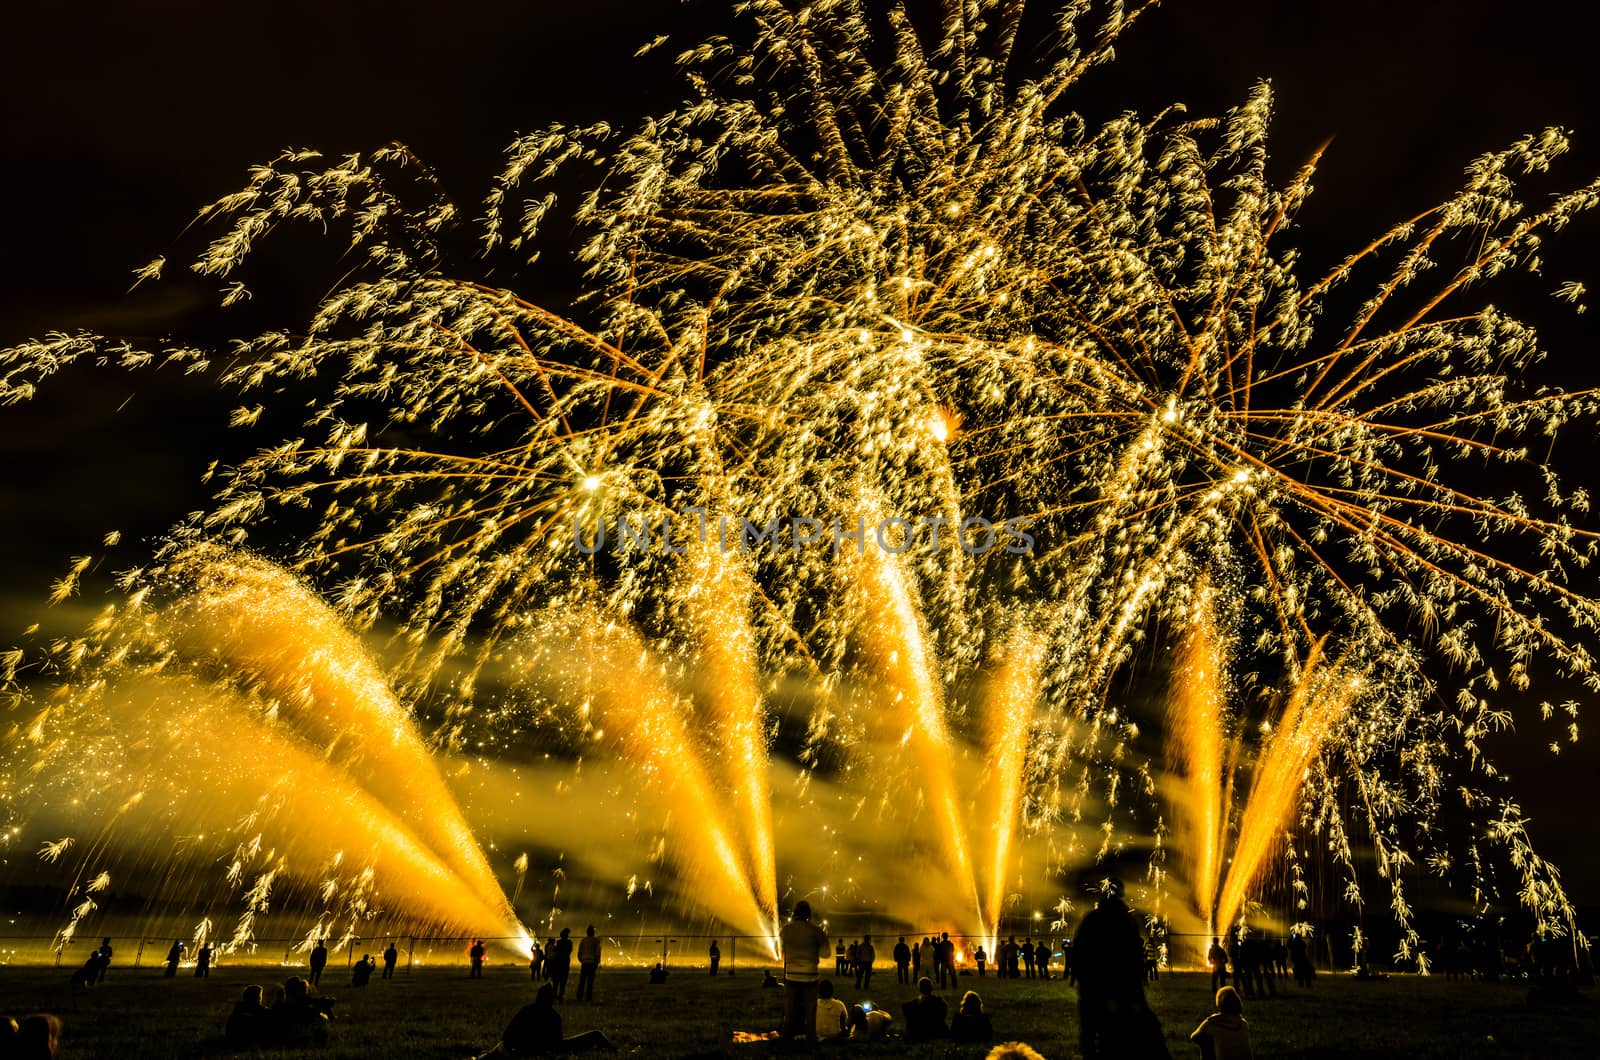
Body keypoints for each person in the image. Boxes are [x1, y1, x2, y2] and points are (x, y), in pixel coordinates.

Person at [1071, 877, 1169, 1059]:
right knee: (1122, 1034)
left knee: (1092, 1035)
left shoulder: (1091, 920)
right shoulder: (1126, 921)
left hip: (1094, 987)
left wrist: (1083, 981)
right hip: (1124, 988)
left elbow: (1079, 953)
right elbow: (1134, 954)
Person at [484, 982, 613, 1057]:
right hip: (545, 1049)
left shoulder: (526, 1010)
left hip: (520, 1049)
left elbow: (507, 1035)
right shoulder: (553, 1016)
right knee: (596, 1035)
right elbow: (556, 1043)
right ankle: (613, 1051)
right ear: (551, 1000)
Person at [778, 900, 829, 1042]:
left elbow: (782, 952)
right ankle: (810, 1039)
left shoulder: (786, 930)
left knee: (790, 1009)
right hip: (810, 975)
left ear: (794, 913)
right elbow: (826, 953)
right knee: (810, 1010)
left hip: (791, 974)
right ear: (808, 914)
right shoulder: (816, 930)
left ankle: (787, 1038)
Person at [1190, 985, 1253, 1060]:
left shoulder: (1212, 1023)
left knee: (1206, 1042)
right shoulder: (1243, 1024)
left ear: (1219, 1003)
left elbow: (1193, 1037)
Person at [272, 976, 331, 1048]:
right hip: (293, 1041)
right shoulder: (292, 1007)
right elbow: (307, 1016)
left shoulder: (281, 1005)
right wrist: (318, 1008)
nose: (305, 995)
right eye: (304, 991)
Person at [901, 976, 949, 1040]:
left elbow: (905, 1009)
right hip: (936, 1032)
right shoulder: (940, 1002)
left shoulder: (912, 1004)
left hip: (919, 1033)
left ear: (920, 989)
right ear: (931, 988)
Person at [226, 984, 272, 1049]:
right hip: (247, 1044)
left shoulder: (238, 1010)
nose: (260, 999)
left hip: (233, 1043)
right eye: (260, 996)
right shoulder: (258, 1011)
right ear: (257, 998)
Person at [575, 925, 601, 1001]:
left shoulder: (583, 940)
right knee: (590, 981)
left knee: (582, 981)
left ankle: (579, 997)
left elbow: (579, 952)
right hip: (592, 962)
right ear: (593, 932)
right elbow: (597, 952)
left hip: (584, 962)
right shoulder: (596, 941)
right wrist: (597, 961)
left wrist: (581, 960)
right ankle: (588, 997)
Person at [549, 928, 574, 999]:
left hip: (557, 963)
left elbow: (556, 951)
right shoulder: (569, 943)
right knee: (563, 982)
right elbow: (569, 951)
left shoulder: (559, 943)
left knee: (556, 982)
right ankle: (560, 996)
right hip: (565, 963)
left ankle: (555, 995)